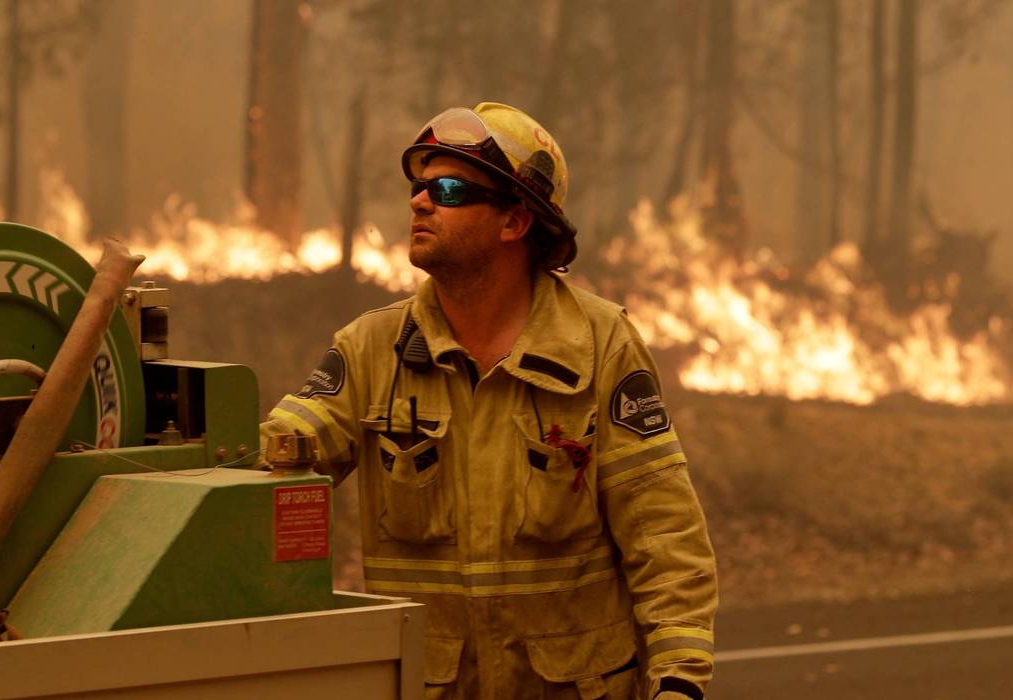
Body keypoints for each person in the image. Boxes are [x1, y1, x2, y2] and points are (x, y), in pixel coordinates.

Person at [260, 102, 716, 699]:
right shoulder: (372, 350)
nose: (420, 202)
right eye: (418, 187)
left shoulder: (600, 345)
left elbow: (663, 533)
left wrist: (679, 681)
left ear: (514, 222)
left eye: (449, 189)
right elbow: (271, 474)